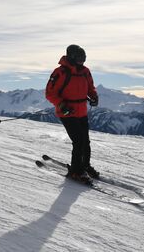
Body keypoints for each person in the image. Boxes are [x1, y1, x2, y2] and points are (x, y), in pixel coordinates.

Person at [45, 44, 99, 184]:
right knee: (79, 140)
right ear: (71, 57)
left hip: (81, 111)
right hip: (67, 112)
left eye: (84, 58)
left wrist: (93, 97)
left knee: (85, 141)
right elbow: (50, 93)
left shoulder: (85, 71)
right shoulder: (60, 72)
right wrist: (62, 105)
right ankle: (76, 171)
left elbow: (90, 87)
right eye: (79, 58)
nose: (82, 61)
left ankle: (85, 165)